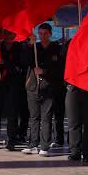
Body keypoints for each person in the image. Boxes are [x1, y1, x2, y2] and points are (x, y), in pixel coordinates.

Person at [22, 23, 63, 156]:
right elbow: (25, 61)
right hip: (33, 87)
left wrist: (44, 71)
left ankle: (44, 146)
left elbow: (60, 69)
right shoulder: (35, 47)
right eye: (40, 33)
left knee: (47, 117)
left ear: (50, 34)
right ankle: (33, 144)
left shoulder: (57, 49)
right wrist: (29, 45)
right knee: (34, 117)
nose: (42, 36)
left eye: (45, 33)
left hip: (49, 88)